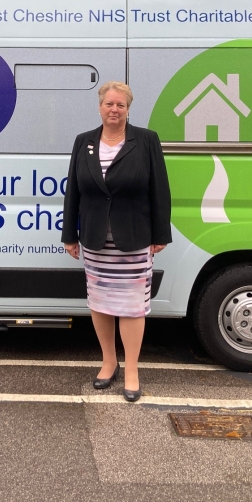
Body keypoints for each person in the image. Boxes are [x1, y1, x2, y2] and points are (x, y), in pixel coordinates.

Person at [62, 81, 172, 402]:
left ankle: (133, 368)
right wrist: (70, 234)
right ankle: (109, 362)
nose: (114, 109)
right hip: (96, 241)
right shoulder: (84, 142)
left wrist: (160, 234)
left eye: (120, 105)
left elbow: (160, 190)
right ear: (100, 107)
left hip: (135, 238)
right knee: (100, 303)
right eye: (109, 104)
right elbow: (75, 193)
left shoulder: (146, 141)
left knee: (133, 307)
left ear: (128, 109)